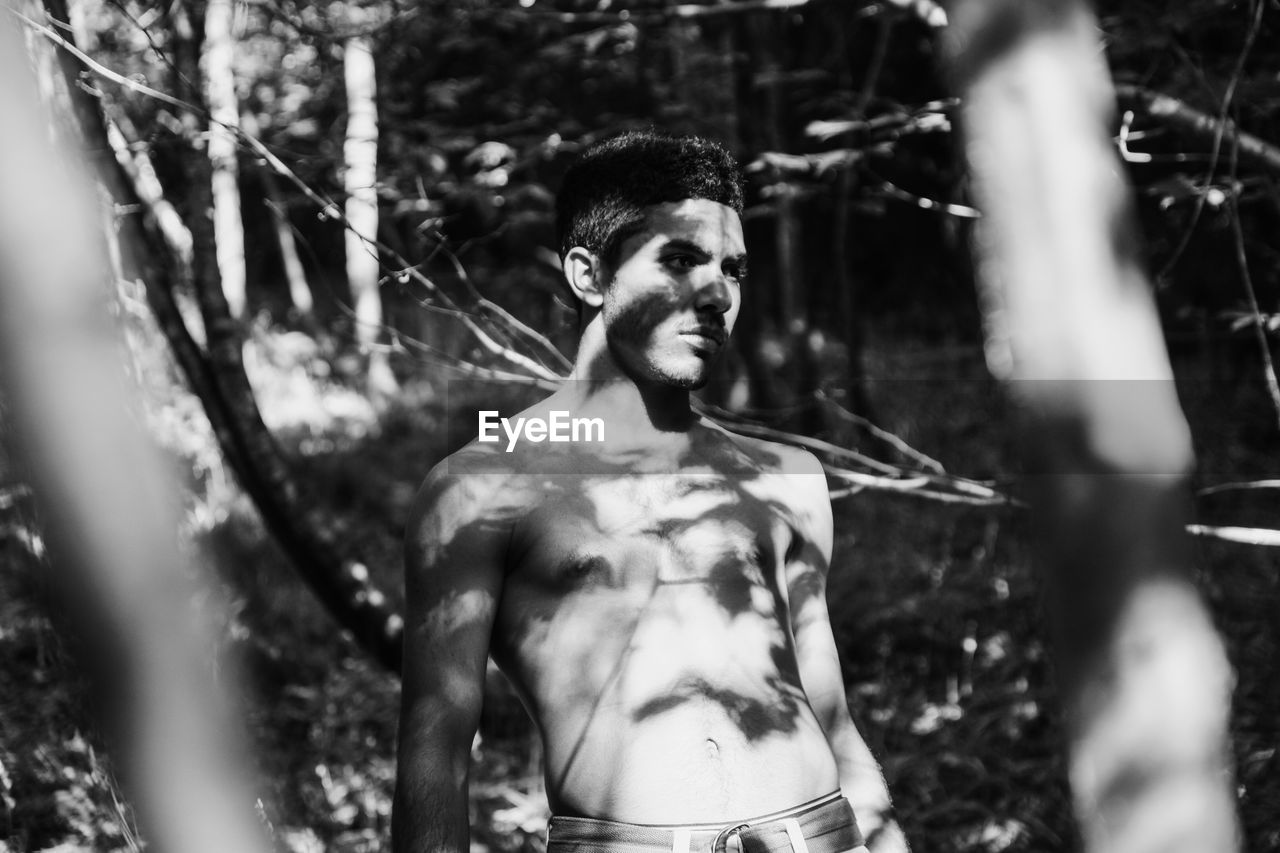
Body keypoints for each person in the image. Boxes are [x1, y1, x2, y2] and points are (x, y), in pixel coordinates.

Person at [392, 131, 907, 853]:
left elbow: (833, 717)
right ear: (587, 274)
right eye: (679, 260)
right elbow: (436, 744)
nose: (717, 293)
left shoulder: (786, 475)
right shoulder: (480, 488)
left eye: (733, 268)